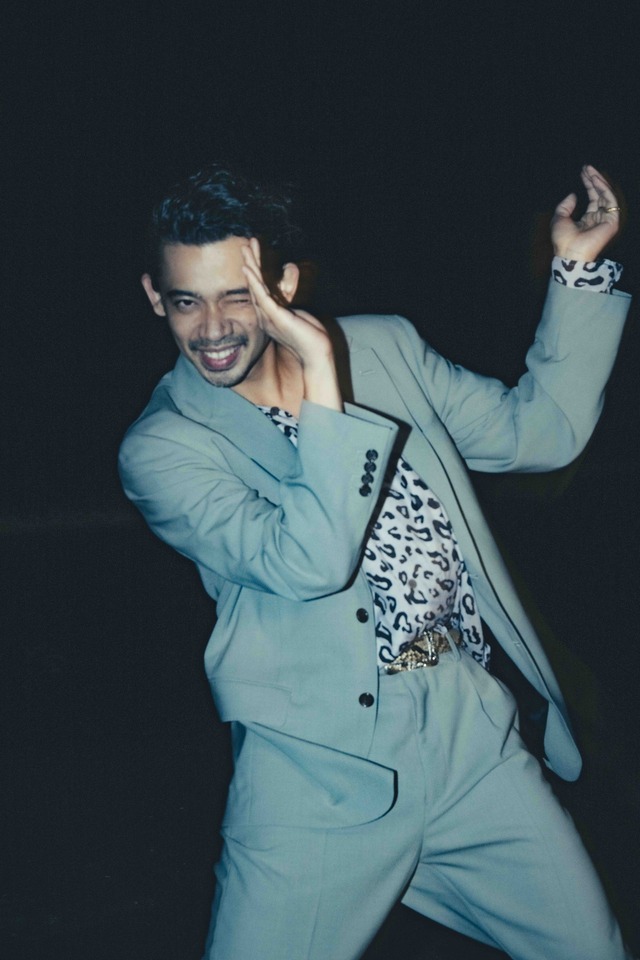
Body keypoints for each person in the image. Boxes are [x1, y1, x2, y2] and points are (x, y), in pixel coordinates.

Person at [119, 163, 633, 960]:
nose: (212, 328)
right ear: (156, 297)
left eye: (237, 296)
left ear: (283, 285)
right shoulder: (164, 448)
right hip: (318, 773)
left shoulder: (385, 350)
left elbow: (539, 434)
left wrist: (577, 268)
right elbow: (310, 562)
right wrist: (322, 376)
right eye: (187, 301)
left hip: (467, 733)